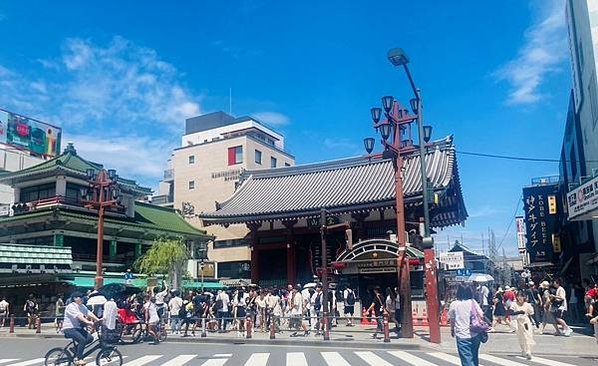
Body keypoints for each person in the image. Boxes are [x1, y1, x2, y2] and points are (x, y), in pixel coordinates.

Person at [449, 285, 484, 366]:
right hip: (475, 333)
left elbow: (452, 319)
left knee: (466, 359)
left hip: (462, 335)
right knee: (474, 356)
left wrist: (452, 329)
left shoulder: (454, 304)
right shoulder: (473, 302)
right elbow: (481, 315)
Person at [63, 292, 99, 366]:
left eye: (83, 297)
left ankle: (75, 349)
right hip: (69, 328)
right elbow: (79, 316)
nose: (82, 299)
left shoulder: (82, 306)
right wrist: (88, 322)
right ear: (75, 298)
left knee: (90, 338)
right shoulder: (71, 306)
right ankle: (79, 359)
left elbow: (88, 313)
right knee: (82, 340)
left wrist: (97, 319)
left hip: (77, 328)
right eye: (80, 297)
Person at [510, 291, 535, 360]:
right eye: (518, 296)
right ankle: (523, 350)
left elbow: (531, 313)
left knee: (527, 335)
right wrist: (518, 312)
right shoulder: (514, 304)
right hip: (517, 322)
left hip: (525, 322)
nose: (520, 298)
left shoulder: (527, 305)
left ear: (524, 297)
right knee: (520, 336)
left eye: (521, 296)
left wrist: (537, 322)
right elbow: (510, 312)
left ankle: (528, 351)